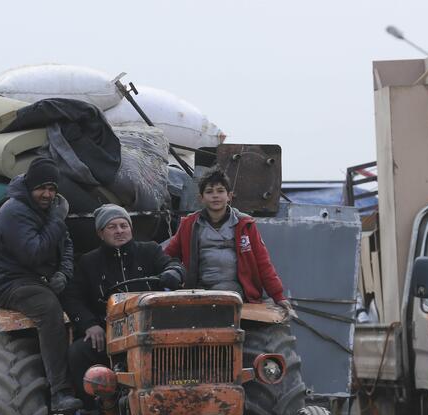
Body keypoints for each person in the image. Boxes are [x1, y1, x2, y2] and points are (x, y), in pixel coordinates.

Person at [61, 204, 185, 399]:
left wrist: (173, 272)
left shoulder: (150, 251)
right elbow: (72, 297)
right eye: (112, 227)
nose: (119, 231)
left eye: (123, 225)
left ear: (131, 229)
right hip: (110, 331)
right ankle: (94, 409)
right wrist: (89, 325)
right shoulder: (88, 262)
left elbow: (172, 264)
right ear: (101, 233)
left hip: (152, 328)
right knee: (79, 352)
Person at [0, 157, 80, 413]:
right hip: (13, 281)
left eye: (52, 189)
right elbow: (34, 252)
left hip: (46, 279)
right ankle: (60, 391)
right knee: (48, 309)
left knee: (84, 299)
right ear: (30, 187)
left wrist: (64, 272)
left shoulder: (51, 210)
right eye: (42, 188)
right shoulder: (14, 211)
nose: (47, 194)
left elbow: (67, 244)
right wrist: (57, 221)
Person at [163, 170, 291, 311]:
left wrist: (278, 296)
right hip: (200, 291)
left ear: (229, 196)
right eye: (209, 192)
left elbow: (263, 263)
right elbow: (167, 256)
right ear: (201, 198)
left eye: (220, 191)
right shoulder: (189, 224)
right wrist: (171, 272)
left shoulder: (245, 224)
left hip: (235, 293)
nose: (215, 196)